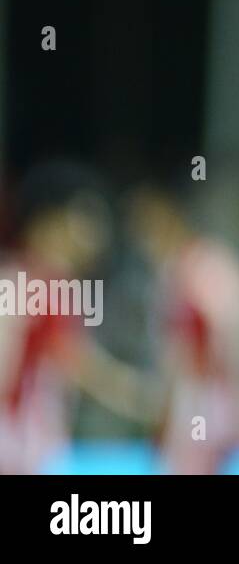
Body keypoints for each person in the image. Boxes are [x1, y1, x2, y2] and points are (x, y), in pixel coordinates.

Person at [0, 161, 154, 473]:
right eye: (85, 216)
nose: (98, 232)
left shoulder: (52, 285)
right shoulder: (24, 282)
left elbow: (74, 360)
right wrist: (139, 397)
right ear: (48, 221)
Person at [126, 184, 239, 474]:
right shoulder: (188, 268)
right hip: (207, 401)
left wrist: (235, 402)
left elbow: (230, 341)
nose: (143, 238)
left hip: (203, 402)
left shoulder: (202, 269)